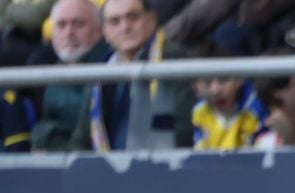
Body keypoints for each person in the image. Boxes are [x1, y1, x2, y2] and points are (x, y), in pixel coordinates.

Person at [85, 0, 194, 150]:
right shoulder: (101, 69)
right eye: (115, 21)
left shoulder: (174, 59)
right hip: (109, 168)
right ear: (104, 31)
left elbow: (186, 127)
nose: (125, 27)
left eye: (133, 17)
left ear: (152, 20)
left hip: (163, 166)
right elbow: (83, 137)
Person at [24, 0, 109, 152]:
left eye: (78, 24)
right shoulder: (55, 70)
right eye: (61, 25)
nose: (69, 33)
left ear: (100, 29)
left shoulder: (110, 66)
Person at [191, 56, 268, 148]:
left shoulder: (256, 110)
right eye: (208, 82)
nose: (216, 91)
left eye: (223, 80)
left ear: (239, 79)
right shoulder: (200, 111)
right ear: (195, 88)